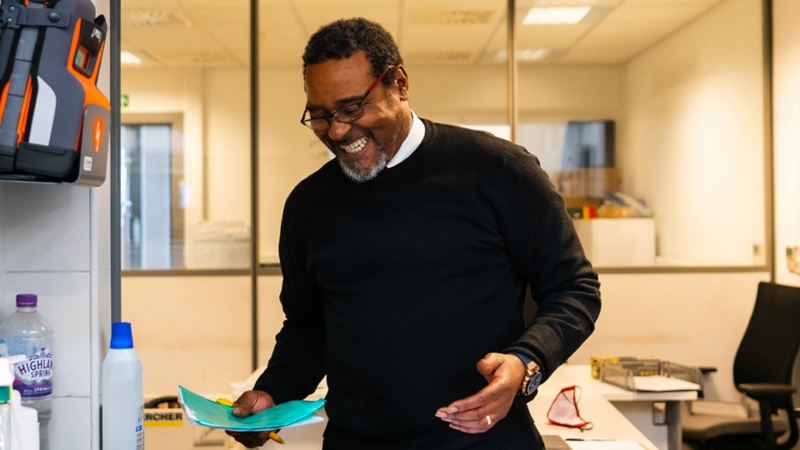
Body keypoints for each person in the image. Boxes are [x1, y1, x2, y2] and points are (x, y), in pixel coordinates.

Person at [227, 17, 601, 450]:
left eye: (351, 108)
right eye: (320, 116)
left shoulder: (498, 170)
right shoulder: (309, 205)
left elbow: (575, 288)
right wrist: (273, 393)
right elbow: (308, 326)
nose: (338, 131)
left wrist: (526, 361)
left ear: (399, 83)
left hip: (486, 440)